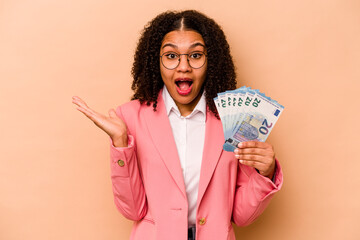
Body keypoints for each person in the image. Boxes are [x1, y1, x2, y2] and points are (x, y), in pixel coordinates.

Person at [72, 10, 283, 240]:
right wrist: (121, 143)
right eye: (171, 56)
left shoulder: (235, 121)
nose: (184, 67)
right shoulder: (130, 118)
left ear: (211, 61)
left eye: (195, 55)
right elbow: (132, 210)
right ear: (156, 62)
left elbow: (242, 216)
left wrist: (266, 174)